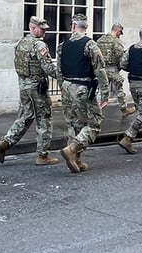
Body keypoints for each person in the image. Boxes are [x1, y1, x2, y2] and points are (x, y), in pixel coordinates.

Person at [0, 16, 60, 165]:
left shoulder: (21, 43)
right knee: (44, 118)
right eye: (41, 29)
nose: (44, 32)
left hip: (23, 84)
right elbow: (48, 68)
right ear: (33, 28)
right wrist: (63, 76)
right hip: (37, 87)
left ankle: (5, 142)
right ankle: (43, 155)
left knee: (25, 116)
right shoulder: (39, 46)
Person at [58, 13, 110, 173]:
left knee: (74, 123)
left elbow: (59, 70)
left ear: (73, 26)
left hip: (67, 86)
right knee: (94, 122)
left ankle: (76, 159)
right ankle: (73, 149)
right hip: (83, 87)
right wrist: (105, 92)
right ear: (85, 27)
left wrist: (63, 87)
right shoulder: (90, 45)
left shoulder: (63, 45)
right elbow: (100, 69)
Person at [96, 23, 137, 117]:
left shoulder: (100, 40)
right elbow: (120, 57)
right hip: (113, 69)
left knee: (101, 90)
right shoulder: (116, 41)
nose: (120, 34)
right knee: (119, 90)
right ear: (117, 31)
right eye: (120, 32)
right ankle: (124, 109)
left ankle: (97, 111)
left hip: (102, 69)